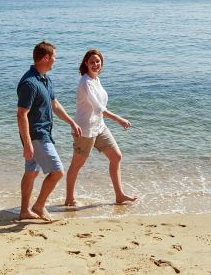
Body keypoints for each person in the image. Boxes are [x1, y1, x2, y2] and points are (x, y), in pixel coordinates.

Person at [17, 41, 81, 221]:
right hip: (37, 135)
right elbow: (21, 114)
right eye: (54, 57)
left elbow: (55, 104)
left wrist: (71, 122)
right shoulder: (29, 83)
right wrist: (28, 144)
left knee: (32, 171)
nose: (55, 60)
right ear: (46, 58)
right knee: (58, 171)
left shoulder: (44, 79)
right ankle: (38, 206)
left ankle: (24, 211)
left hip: (43, 132)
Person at [64, 49, 138, 206]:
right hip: (84, 129)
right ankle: (69, 199)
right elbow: (98, 108)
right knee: (77, 165)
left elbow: (99, 109)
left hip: (99, 126)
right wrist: (119, 119)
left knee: (116, 156)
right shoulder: (85, 82)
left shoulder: (95, 79)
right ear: (86, 63)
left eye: (98, 62)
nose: (95, 64)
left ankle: (119, 195)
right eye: (92, 62)